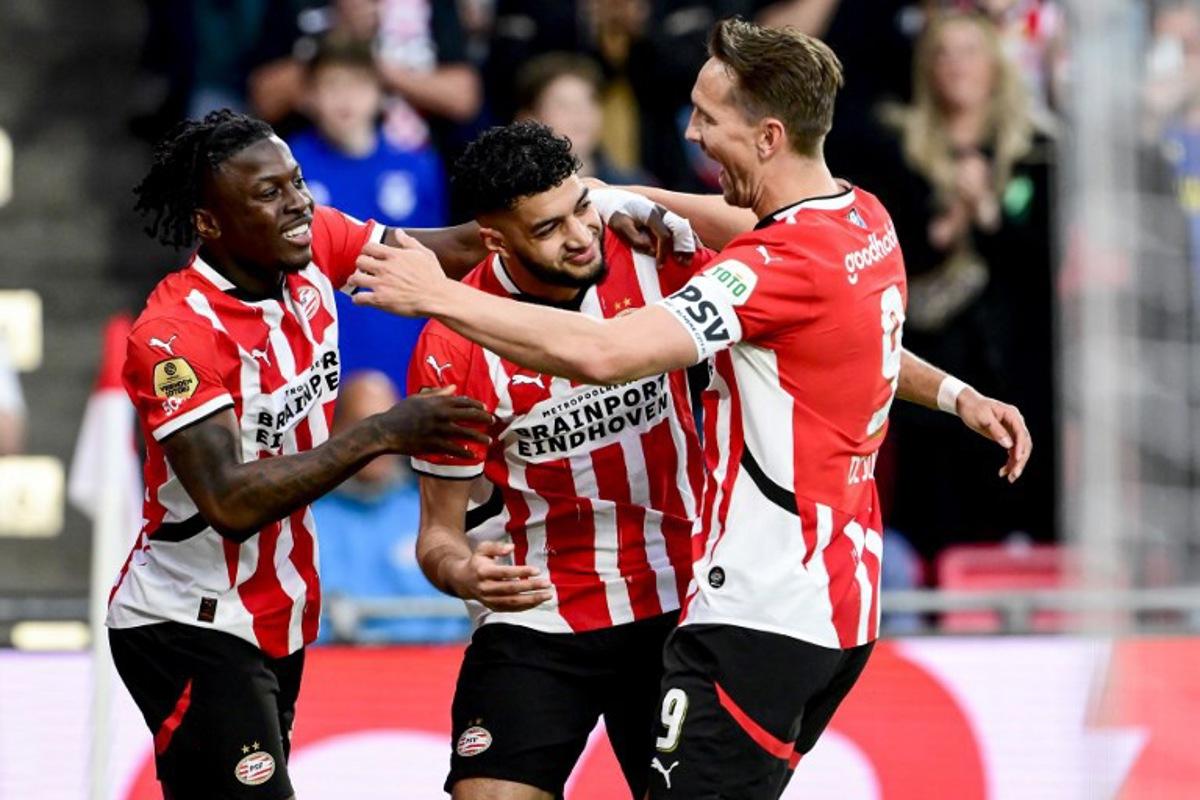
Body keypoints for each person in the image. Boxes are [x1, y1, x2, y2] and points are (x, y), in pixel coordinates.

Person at [348, 19, 1031, 799]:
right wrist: (956, 393)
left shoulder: (690, 263)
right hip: (570, 614)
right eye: (553, 223)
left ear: (768, 136)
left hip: (721, 604)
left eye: (708, 116)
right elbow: (831, 325)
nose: (693, 133)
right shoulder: (861, 218)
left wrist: (435, 290)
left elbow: (608, 349)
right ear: (497, 242)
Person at [106, 109, 491, 800]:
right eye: (268, 193)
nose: (298, 204)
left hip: (278, 610)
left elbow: (449, 249)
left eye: (297, 182)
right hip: (189, 620)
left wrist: (591, 210)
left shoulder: (314, 245)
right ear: (208, 223)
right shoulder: (175, 336)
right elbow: (228, 501)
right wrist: (381, 432)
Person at [406, 120, 707, 800]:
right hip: (540, 612)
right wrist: (463, 570)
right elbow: (438, 534)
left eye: (581, 208)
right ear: (494, 240)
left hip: (679, 595)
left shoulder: (654, 259)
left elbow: (811, 305)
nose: (579, 236)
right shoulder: (451, 345)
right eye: (547, 229)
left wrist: (954, 397)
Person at [287, 37, 449, 392]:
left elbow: (440, 259)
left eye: (358, 85)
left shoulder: (418, 165)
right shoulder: (287, 168)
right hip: (321, 338)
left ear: (379, 94)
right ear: (309, 97)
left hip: (401, 334)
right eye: (331, 86)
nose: (345, 99)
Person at [313, 370, 470, 644]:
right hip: (336, 673)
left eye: (391, 430)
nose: (380, 443)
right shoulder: (306, 518)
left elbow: (463, 617)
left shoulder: (434, 511)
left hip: (435, 670)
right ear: (334, 432)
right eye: (365, 429)